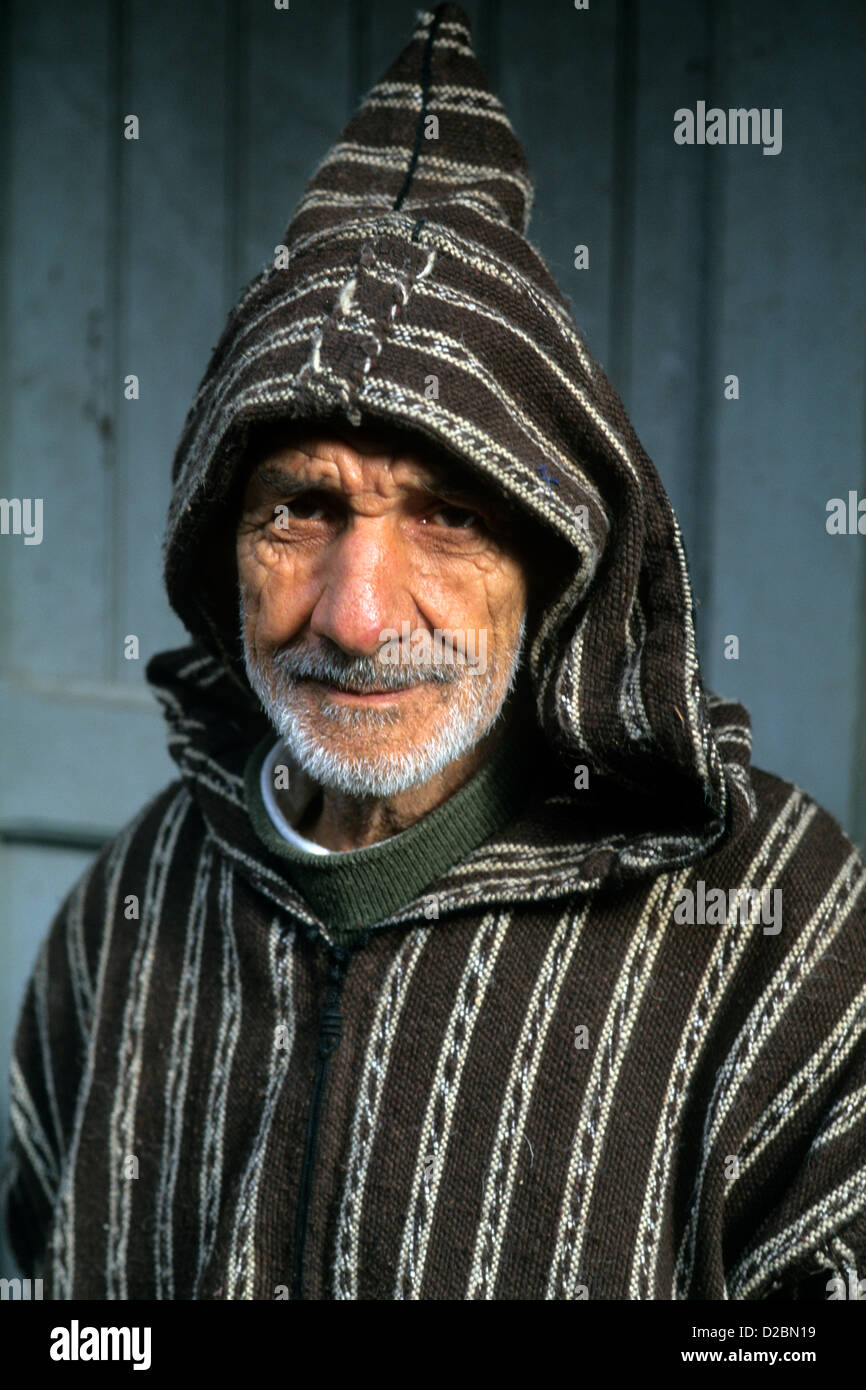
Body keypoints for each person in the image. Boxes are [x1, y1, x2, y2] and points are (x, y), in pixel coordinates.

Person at [3, 2, 865, 1301]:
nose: (354, 615)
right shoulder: (128, 911)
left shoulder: (768, 917)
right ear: (214, 540)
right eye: (299, 508)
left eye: (451, 515)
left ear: (559, 553)